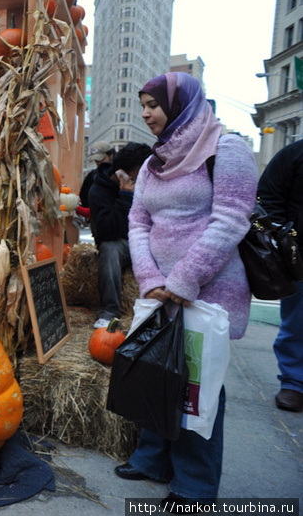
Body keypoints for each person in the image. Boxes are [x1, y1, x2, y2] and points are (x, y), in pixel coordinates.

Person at [115, 72, 256, 506]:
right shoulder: (155, 162)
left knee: (198, 384)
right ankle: (152, 458)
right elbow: (138, 222)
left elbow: (232, 219)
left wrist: (184, 279)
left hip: (207, 289)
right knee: (157, 368)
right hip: (160, 292)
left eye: (152, 105)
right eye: (143, 105)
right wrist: (152, 279)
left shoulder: (226, 149)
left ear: (179, 106)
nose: (145, 113)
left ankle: (194, 485)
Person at [257, 139, 303, 412]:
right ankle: (295, 383)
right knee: (297, 323)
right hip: (301, 257)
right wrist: (283, 236)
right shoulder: (294, 154)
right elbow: (268, 196)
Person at [86, 142, 152, 329]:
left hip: (148, 240)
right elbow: (106, 232)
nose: (145, 177)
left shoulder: (149, 183)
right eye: (140, 173)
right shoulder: (98, 190)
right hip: (123, 243)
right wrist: (125, 197)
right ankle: (109, 311)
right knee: (109, 249)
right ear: (123, 173)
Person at [76, 140, 114, 220]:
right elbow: (84, 198)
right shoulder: (92, 176)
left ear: (111, 155)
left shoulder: (118, 174)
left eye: (102, 160)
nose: (99, 163)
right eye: (96, 161)